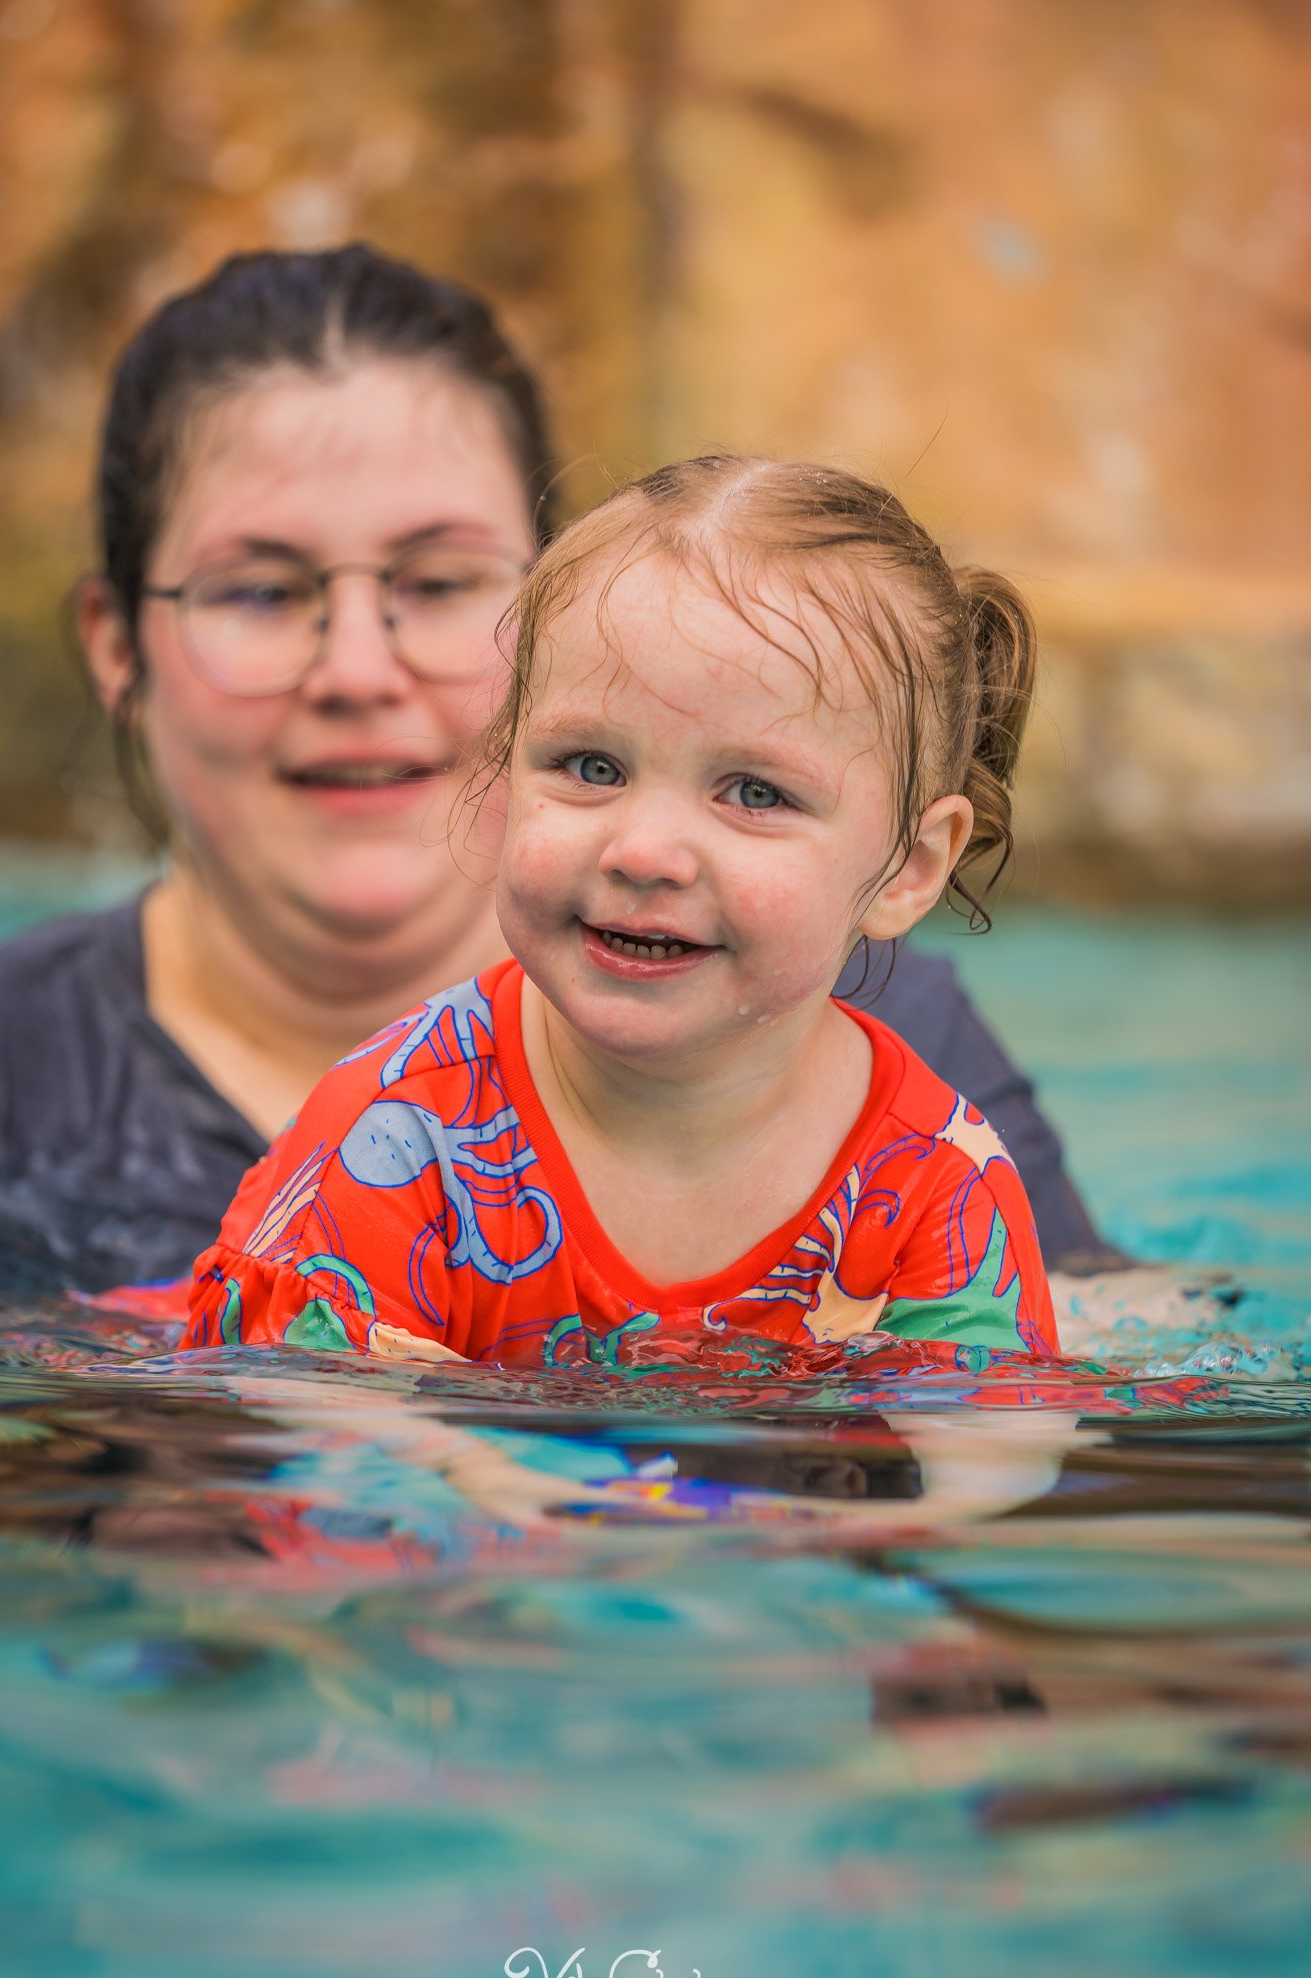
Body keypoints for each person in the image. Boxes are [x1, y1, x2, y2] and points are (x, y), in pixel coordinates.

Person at [0, 246, 1112, 1301]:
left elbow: (1090, 1403)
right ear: (114, 647)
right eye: (259, 590)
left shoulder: (859, 1029)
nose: (358, 669)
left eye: (444, 581)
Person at [182, 455, 1059, 1364]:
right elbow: (311, 1450)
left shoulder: (934, 1183)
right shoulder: (395, 1144)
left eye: (754, 793)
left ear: (907, 869)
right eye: (591, 767)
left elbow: (985, 1473)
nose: (642, 852)